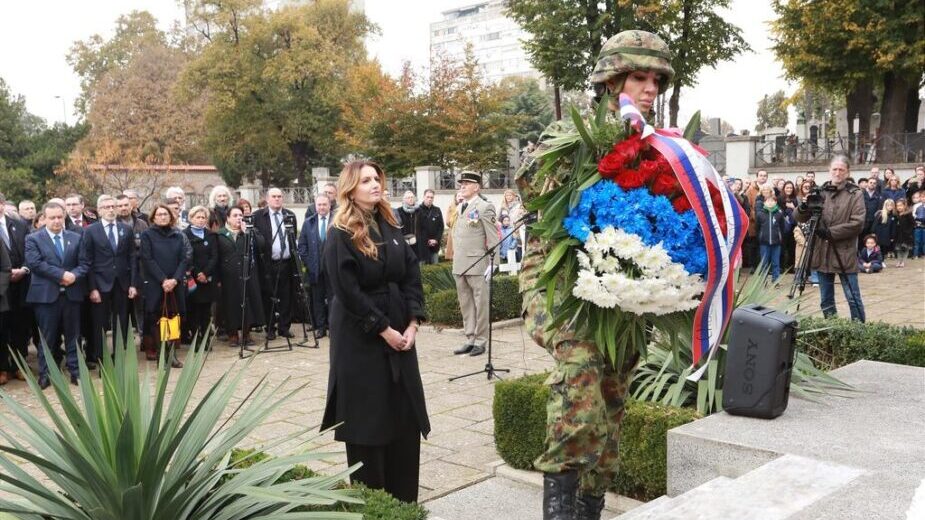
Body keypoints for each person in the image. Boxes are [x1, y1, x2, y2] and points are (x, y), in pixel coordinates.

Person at [519, 30, 695, 520]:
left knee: (612, 399)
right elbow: (531, 187)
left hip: (622, 292)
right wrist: (588, 151)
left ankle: (589, 506)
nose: (650, 89)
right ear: (612, 80)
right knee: (579, 378)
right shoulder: (571, 132)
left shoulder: (659, 145)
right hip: (561, 283)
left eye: (656, 80)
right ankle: (559, 509)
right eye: (640, 78)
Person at [320, 160, 430, 503]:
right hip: (361, 341)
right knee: (368, 422)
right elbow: (347, 291)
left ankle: (404, 506)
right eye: (366, 180)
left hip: (400, 331)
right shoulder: (340, 232)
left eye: (377, 179)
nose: (375, 184)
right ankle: (374, 508)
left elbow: (411, 275)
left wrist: (412, 323)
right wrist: (383, 329)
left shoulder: (391, 224)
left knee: (403, 418)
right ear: (350, 189)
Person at [24, 202, 89, 388]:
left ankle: (76, 372)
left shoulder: (75, 237)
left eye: (60, 217)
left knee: (73, 336)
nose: (56, 221)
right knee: (47, 338)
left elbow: (84, 263)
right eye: (52, 217)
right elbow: (35, 263)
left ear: (64, 217)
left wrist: (74, 275)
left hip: (71, 295)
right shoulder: (33, 239)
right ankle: (46, 374)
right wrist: (61, 275)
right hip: (45, 297)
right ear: (44, 218)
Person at [796, 155, 866, 322]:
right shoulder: (820, 191)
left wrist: (831, 232)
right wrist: (803, 207)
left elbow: (858, 223)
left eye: (841, 169)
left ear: (847, 172)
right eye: (834, 169)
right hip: (822, 252)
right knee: (826, 299)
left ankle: (859, 330)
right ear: (829, 171)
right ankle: (832, 328)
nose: (837, 172)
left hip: (844, 252)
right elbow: (800, 218)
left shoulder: (855, 194)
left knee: (852, 297)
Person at [80, 195, 138, 367]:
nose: (111, 210)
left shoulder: (126, 229)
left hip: (122, 283)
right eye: (106, 207)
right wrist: (92, 288)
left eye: (113, 206)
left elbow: (132, 257)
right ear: (99, 210)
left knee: (121, 322)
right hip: (100, 284)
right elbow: (87, 261)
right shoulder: (90, 231)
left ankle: (119, 357)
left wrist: (133, 284)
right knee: (100, 324)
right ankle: (101, 359)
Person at [451, 171, 499, 357]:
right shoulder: (460, 206)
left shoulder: (485, 207)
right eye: (461, 183)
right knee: (466, 304)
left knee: (481, 305)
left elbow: (493, 237)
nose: (462, 186)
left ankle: (481, 340)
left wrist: (493, 263)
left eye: (467, 183)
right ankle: (470, 338)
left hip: (477, 263)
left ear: (477, 187)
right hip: (460, 263)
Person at [139, 204, 187, 366]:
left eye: (165, 214)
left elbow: (184, 259)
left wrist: (175, 279)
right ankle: (161, 354)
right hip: (156, 283)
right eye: (159, 214)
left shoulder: (177, 235)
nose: (163, 217)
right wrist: (163, 280)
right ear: (153, 217)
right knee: (157, 319)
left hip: (175, 283)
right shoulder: (147, 235)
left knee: (173, 318)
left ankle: (172, 354)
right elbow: (147, 259)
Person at [252, 188, 298, 339]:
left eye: (279, 196)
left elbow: (293, 238)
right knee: (268, 296)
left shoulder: (289, 215)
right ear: (267, 199)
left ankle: (284, 327)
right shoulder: (258, 216)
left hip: (286, 263)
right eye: (274, 196)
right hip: (267, 264)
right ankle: (270, 327)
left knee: (286, 296)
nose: (277, 199)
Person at [217, 206, 265, 346]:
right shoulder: (220, 234)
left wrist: (249, 233)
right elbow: (217, 257)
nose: (239, 218)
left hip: (247, 273)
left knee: (247, 302)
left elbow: (261, 245)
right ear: (228, 218)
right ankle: (232, 334)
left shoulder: (249, 231)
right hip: (228, 276)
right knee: (230, 304)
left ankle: (246, 333)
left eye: (240, 215)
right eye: (235, 215)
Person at [0, 191, 33, 384]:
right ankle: (3, 367)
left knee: (21, 326)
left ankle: (20, 365)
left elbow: (31, 250)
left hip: (21, 283)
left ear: (3, 204)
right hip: (1, 287)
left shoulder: (19, 225)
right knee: (2, 328)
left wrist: (24, 269)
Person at [183, 206, 218, 346]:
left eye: (203, 217)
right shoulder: (185, 235)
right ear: (191, 218)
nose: (201, 220)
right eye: (198, 217)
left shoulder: (211, 235)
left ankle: (206, 339)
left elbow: (214, 256)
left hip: (208, 279)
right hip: (193, 279)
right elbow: (187, 257)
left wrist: (206, 273)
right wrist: (197, 273)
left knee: (206, 312)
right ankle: (196, 339)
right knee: (194, 311)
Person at [297, 195, 332, 339]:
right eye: (319, 205)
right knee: (317, 300)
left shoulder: (337, 221)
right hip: (315, 270)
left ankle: (333, 328)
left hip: (333, 270)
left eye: (324, 204)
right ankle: (321, 328)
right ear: (315, 206)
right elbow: (302, 246)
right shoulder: (309, 223)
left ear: (329, 205)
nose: (322, 207)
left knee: (333, 300)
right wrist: (309, 263)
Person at [755, 186, 788, 282]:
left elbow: (782, 227)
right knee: (764, 263)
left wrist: (780, 238)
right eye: (768, 201)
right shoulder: (760, 214)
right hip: (764, 242)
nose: (770, 203)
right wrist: (760, 237)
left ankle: (775, 280)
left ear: (776, 202)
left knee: (775, 262)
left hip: (776, 242)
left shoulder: (779, 214)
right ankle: (763, 281)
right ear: (764, 203)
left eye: (772, 201)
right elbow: (757, 227)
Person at [414, 189, 444, 265]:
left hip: (434, 245)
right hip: (422, 246)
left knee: (435, 268)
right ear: (424, 197)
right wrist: (427, 240)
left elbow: (441, 227)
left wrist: (436, 239)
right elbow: (417, 229)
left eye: (431, 197)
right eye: (428, 197)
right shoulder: (417, 210)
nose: (430, 199)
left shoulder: (437, 210)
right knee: (422, 268)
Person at [395, 191, 420, 258]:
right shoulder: (399, 211)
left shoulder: (419, 211)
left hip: (417, 242)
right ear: (404, 200)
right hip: (404, 242)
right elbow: (397, 226)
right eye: (408, 198)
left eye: (412, 197)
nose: (410, 199)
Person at [444, 192, 465, 261]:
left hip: (464, 234)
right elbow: (448, 222)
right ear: (455, 198)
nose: (460, 197)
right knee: (454, 256)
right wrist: (457, 212)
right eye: (458, 196)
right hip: (454, 233)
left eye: (462, 196)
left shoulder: (468, 206)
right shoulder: (451, 207)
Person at [893, 199, 914, 268]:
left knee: (906, 248)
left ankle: (903, 262)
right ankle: (899, 261)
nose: (899, 207)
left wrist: (909, 232)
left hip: (906, 235)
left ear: (905, 206)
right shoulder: (896, 215)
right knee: (898, 249)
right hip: (898, 235)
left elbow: (913, 224)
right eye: (897, 206)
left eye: (901, 205)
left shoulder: (908, 214)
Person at [912, 190, 925, 259]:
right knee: (917, 240)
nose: (924, 198)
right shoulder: (916, 206)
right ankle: (916, 254)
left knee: (924, 241)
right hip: (918, 226)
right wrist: (917, 220)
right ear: (920, 198)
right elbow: (913, 214)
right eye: (922, 197)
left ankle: (923, 254)